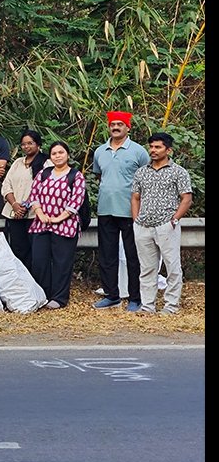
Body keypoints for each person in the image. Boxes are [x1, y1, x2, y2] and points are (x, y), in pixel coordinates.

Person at [91, 110, 150, 311]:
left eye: (120, 124)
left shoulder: (139, 151)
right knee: (107, 255)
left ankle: (135, 297)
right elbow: (100, 176)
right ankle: (111, 295)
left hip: (131, 211)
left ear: (128, 127)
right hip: (106, 210)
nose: (115, 127)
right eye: (112, 124)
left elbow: (147, 179)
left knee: (133, 256)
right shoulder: (100, 151)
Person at [131, 132, 193, 314]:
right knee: (147, 268)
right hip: (143, 225)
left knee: (172, 267)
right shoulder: (142, 171)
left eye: (158, 147)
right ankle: (148, 306)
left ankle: (171, 306)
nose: (153, 150)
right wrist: (136, 219)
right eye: (151, 147)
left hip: (166, 225)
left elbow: (186, 198)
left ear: (168, 150)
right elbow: (135, 197)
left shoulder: (178, 172)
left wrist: (174, 219)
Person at [28, 141, 86, 310]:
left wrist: (58, 218)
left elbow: (77, 201)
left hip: (65, 226)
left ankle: (59, 298)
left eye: (61, 152)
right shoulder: (44, 173)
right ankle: (43, 294)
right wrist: (40, 213)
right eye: (54, 153)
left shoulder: (76, 175)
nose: (58, 156)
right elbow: (34, 194)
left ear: (67, 154)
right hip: (42, 224)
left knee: (62, 263)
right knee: (39, 261)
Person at [1, 130, 51, 272]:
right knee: (18, 251)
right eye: (23, 144)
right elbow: (6, 185)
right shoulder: (17, 163)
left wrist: (26, 206)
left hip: (35, 215)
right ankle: (22, 286)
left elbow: (46, 188)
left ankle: (37, 285)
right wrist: (15, 205)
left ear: (38, 144)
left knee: (36, 253)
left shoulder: (46, 163)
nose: (26, 147)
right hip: (14, 214)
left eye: (30, 143)